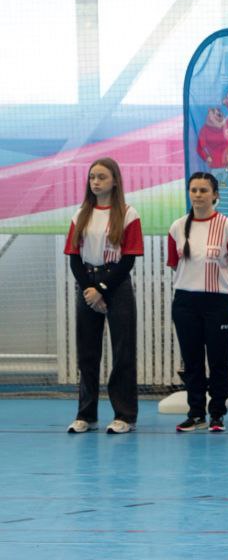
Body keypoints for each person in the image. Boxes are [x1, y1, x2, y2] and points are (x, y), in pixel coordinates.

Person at [64, 158, 144, 434]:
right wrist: (89, 289)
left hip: (116, 285)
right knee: (87, 351)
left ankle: (125, 415)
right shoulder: (80, 215)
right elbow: (74, 257)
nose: (95, 182)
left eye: (101, 177)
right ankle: (86, 415)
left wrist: (102, 289)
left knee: (123, 351)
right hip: (87, 285)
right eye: (92, 177)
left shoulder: (129, 214)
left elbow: (128, 259)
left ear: (115, 181)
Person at [168, 172, 228, 433]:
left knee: (218, 360)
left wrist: (218, 283)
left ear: (215, 195)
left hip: (219, 303)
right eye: (194, 190)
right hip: (185, 302)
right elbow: (175, 264)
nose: (198, 195)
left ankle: (217, 414)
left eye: (203, 190)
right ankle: (195, 413)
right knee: (192, 360)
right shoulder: (177, 227)